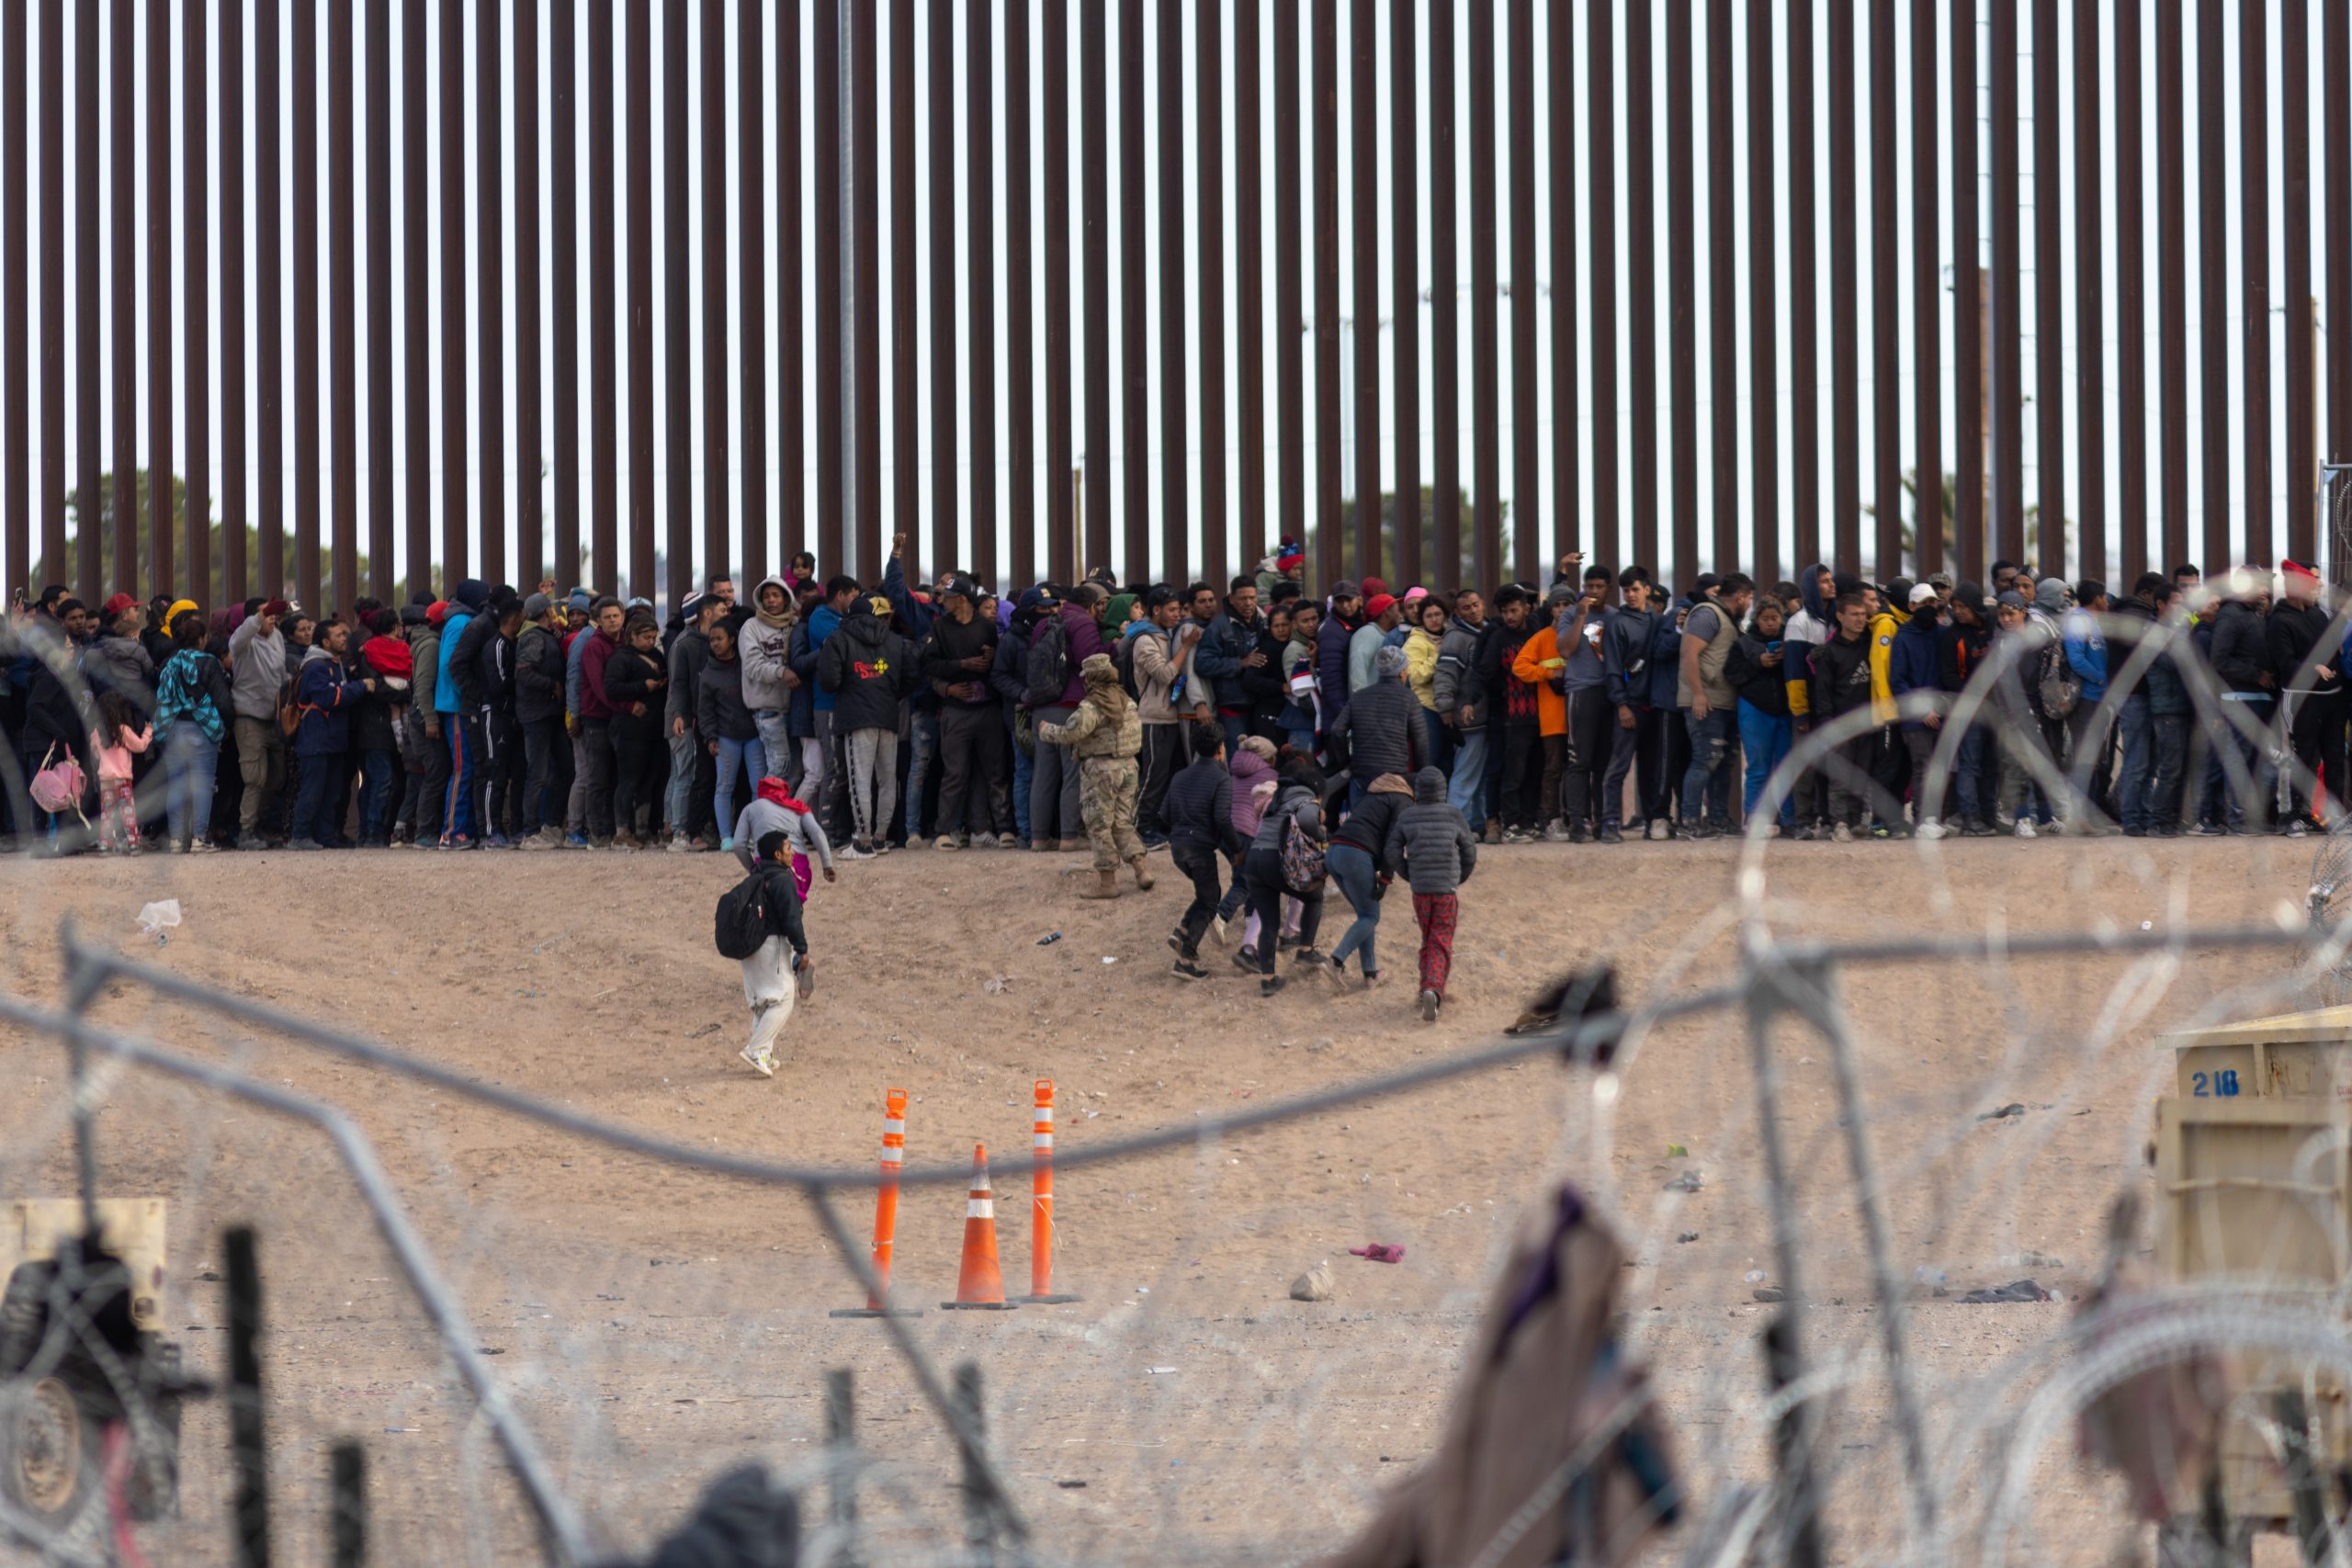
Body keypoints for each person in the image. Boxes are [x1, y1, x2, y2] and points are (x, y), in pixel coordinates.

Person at [1037, 651, 1149, 898]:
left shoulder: (1092, 706)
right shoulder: (1127, 701)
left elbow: (1072, 733)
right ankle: (1141, 870)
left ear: (1090, 678)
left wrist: (1046, 730)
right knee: (1122, 822)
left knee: (1100, 826)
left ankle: (1108, 883)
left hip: (1101, 771)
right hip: (1129, 767)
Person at [922, 574, 1015, 850]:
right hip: (956, 710)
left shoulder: (986, 627)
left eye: (948, 598)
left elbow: (999, 666)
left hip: (988, 710)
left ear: (962, 600)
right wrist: (961, 667)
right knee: (955, 773)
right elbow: (929, 665)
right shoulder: (939, 628)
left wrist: (991, 657)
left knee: (995, 772)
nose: (943, 601)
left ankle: (1002, 829)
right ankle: (944, 831)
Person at [819, 593, 916, 855]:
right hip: (888, 714)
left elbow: (829, 680)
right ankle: (880, 838)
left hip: (856, 715)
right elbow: (910, 675)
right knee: (887, 779)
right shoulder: (894, 640)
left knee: (859, 779)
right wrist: (890, 693)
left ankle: (863, 842)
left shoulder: (839, 638)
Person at [1385, 766, 1478, 1023]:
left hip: (1420, 891)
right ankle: (1433, 989)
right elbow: (1469, 851)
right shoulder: (1453, 814)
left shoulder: (1407, 816)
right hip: (1446, 890)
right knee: (1441, 939)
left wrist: (1409, 874)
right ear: (1442, 789)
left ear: (1417, 790)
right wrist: (1458, 877)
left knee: (1428, 938)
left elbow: (1391, 851)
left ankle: (1424, 989)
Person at [1163, 723, 1248, 980]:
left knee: (1207, 894)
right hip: (1200, 848)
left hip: (1178, 848)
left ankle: (1182, 931)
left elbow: (1164, 814)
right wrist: (1237, 849)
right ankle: (1186, 959)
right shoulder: (1221, 778)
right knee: (1211, 902)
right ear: (1221, 749)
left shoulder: (1180, 776)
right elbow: (1222, 818)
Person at [1030, 582, 1110, 852]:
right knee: (1073, 774)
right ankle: (1068, 837)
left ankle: (1039, 838)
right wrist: (1114, 647)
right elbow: (1092, 662)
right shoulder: (1083, 623)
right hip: (1070, 707)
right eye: (1100, 605)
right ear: (1091, 606)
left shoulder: (1045, 623)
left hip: (1041, 706)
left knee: (1043, 774)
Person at [729, 829, 814, 1078]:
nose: (793, 853)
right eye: (788, 849)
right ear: (777, 854)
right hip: (771, 946)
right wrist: (802, 949)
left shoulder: (757, 875)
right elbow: (791, 918)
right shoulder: (782, 880)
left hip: (749, 947)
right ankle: (755, 1050)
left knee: (762, 1004)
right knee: (783, 999)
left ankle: (763, 1054)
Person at [1240, 752, 1327, 997]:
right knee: (1315, 896)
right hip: (1273, 860)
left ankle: (1268, 979)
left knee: (1269, 922)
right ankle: (1306, 950)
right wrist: (1322, 834)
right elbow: (1307, 821)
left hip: (1254, 859)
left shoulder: (1277, 798)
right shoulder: (1305, 798)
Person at [288, 619, 377, 850]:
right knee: (313, 790)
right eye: (339, 635)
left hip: (333, 740)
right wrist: (361, 686)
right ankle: (300, 836)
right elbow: (328, 698)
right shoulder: (316, 666)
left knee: (332, 791)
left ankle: (325, 836)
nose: (345, 638)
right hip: (316, 739)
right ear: (326, 642)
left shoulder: (335, 664)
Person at [1675, 573, 1751, 837]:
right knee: (1704, 760)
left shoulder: (1728, 619)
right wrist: (1698, 694)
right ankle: (1689, 822)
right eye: (1749, 598)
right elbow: (1689, 653)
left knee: (1723, 762)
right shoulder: (1708, 614)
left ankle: (1719, 819)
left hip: (1724, 701)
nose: (1749, 604)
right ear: (1740, 597)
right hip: (1706, 702)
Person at [1321, 772, 1412, 992]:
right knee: (1371, 915)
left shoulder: (1375, 796)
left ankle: (1370, 973)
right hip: (1355, 855)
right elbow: (1393, 841)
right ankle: (1336, 961)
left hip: (1334, 853)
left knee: (1365, 914)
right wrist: (1386, 877)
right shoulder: (1403, 800)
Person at [2268, 559, 2341, 835]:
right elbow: (2285, 662)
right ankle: (2289, 816)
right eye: (2312, 587)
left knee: (2333, 756)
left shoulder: (2318, 616)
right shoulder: (2280, 621)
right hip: (2300, 698)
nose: (2317, 590)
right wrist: (2313, 668)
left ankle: (2330, 815)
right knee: (2302, 757)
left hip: (2330, 697)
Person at [1133, 585, 1210, 840]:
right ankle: (1140, 827)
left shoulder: (1165, 635)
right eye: (1172, 610)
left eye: (1179, 610)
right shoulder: (1145, 640)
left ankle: (1156, 825)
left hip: (1169, 714)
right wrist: (1185, 647)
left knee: (1165, 775)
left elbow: (1176, 679)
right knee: (1152, 776)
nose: (1178, 615)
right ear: (1156, 610)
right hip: (1152, 717)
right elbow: (1165, 674)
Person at [153, 609, 232, 853]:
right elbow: (223, 701)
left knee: (176, 784)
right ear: (201, 639)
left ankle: (176, 840)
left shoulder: (169, 663)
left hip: (172, 728)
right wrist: (225, 727)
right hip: (202, 729)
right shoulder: (209, 663)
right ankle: (199, 838)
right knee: (202, 785)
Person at [1809, 591, 1878, 841]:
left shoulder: (1871, 645)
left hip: (1868, 724)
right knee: (1840, 778)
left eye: (1863, 614)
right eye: (1854, 615)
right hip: (1840, 724)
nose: (1860, 619)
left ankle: (1858, 822)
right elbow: (1822, 692)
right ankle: (1839, 823)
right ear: (1840, 616)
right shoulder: (1828, 652)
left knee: (1862, 776)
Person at [1724, 597, 1794, 835]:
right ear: (1757, 619)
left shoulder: (1790, 642)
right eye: (1766, 619)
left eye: (1775, 618)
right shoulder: (1744, 643)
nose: (1771, 623)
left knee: (1786, 766)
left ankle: (1789, 819)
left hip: (1785, 710)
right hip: (1754, 708)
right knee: (1758, 767)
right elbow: (1732, 675)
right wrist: (1758, 662)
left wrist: (1786, 659)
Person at [665, 591, 726, 852]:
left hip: (714, 718)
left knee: (707, 775)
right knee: (687, 774)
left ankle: (703, 829)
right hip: (690, 719)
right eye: (722, 610)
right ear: (707, 613)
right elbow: (678, 685)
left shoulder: (722, 640)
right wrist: (679, 715)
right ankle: (681, 831)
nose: (726, 613)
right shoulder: (685, 644)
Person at [227, 599, 290, 850]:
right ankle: (246, 830)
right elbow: (239, 638)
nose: (272, 617)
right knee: (255, 778)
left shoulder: (277, 637)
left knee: (277, 776)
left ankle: (261, 825)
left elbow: (279, 673)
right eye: (266, 614)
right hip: (248, 718)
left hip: (274, 718)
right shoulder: (243, 641)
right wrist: (259, 616)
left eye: (274, 614)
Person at [604, 612, 671, 848]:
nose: (650, 642)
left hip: (653, 728)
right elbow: (611, 688)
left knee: (649, 779)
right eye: (646, 637)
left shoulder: (656, 655)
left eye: (653, 637)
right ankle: (622, 831)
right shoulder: (621, 658)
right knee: (628, 781)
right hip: (629, 729)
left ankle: (643, 830)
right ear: (632, 635)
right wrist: (642, 686)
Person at [695, 615, 761, 849]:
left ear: (732, 640)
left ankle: (757, 835)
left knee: (759, 786)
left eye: (719, 639)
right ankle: (726, 838)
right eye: (711, 640)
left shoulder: (747, 664)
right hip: (725, 736)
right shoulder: (708, 673)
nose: (714, 643)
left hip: (754, 734)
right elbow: (705, 711)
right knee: (724, 786)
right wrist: (710, 737)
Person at [1888, 581, 1949, 835]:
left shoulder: (1943, 634)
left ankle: (1936, 817)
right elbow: (1897, 681)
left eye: (1932, 602)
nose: (1929, 607)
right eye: (1923, 603)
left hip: (1942, 713)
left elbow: (1949, 674)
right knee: (1923, 767)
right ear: (1912, 606)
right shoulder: (1902, 638)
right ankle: (1924, 819)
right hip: (1915, 719)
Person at [1336, 646, 1427, 812]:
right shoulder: (1409, 699)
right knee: (1393, 825)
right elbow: (1421, 740)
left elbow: (1337, 729)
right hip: (1395, 779)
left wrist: (1347, 763)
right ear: (1402, 673)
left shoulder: (1359, 697)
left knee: (1361, 825)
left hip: (1361, 777)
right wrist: (1421, 774)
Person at [514, 594, 572, 849]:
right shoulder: (534, 637)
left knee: (566, 769)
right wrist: (552, 685)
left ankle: (551, 826)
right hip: (536, 714)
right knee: (537, 774)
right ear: (547, 611)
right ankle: (531, 832)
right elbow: (524, 672)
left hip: (549, 712)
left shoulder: (543, 635)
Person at [352, 609, 413, 848]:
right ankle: (374, 831)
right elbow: (377, 688)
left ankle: (369, 831)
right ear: (396, 626)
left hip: (372, 724)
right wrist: (403, 693)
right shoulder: (403, 651)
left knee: (373, 780)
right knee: (382, 779)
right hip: (378, 726)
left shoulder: (368, 651)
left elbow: (375, 685)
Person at [731, 775, 839, 908]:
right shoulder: (797, 807)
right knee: (792, 910)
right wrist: (827, 865)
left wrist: (753, 869)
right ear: (784, 791)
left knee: (768, 910)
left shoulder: (750, 808)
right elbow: (817, 833)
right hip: (797, 866)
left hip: (765, 867)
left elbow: (738, 845)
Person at [1433, 588, 1489, 820]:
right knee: (1465, 774)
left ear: (1483, 604)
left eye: (1475, 605)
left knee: (1482, 776)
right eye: (1466, 608)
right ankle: (1454, 822)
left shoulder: (1488, 630)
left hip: (1486, 714)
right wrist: (1446, 707)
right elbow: (1445, 674)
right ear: (1457, 612)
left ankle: (1476, 824)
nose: (1473, 611)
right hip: (1468, 718)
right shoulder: (1456, 638)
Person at [741, 576, 800, 784]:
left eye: (776, 595)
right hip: (768, 709)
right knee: (779, 765)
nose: (771, 600)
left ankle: (779, 806)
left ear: (786, 599)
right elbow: (752, 665)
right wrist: (781, 672)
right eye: (766, 596)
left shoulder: (795, 625)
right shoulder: (751, 627)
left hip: (795, 707)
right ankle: (764, 804)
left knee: (796, 770)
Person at [88, 689, 152, 852]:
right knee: (127, 812)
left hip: (105, 779)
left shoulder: (97, 732)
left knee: (107, 813)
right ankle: (133, 843)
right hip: (123, 780)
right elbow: (140, 746)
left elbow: (95, 752)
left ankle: (105, 842)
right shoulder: (123, 730)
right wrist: (148, 731)